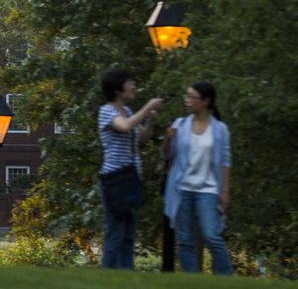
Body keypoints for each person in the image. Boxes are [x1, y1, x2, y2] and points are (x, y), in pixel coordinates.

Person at [98, 68, 164, 270]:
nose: (133, 86)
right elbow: (125, 127)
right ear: (118, 89)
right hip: (115, 179)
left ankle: (126, 278)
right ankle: (107, 277)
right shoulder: (107, 111)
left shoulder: (126, 112)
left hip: (131, 179)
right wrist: (148, 106)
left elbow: (142, 136)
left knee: (128, 235)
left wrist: (150, 121)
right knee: (116, 233)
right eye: (129, 82)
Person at [165, 81, 234, 275]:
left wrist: (225, 191)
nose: (187, 101)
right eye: (186, 96)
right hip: (182, 189)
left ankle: (227, 277)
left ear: (205, 101)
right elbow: (167, 154)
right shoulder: (181, 124)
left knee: (211, 235)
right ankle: (192, 280)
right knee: (185, 240)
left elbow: (226, 162)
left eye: (192, 97)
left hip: (208, 190)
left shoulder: (220, 129)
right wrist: (168, 138)